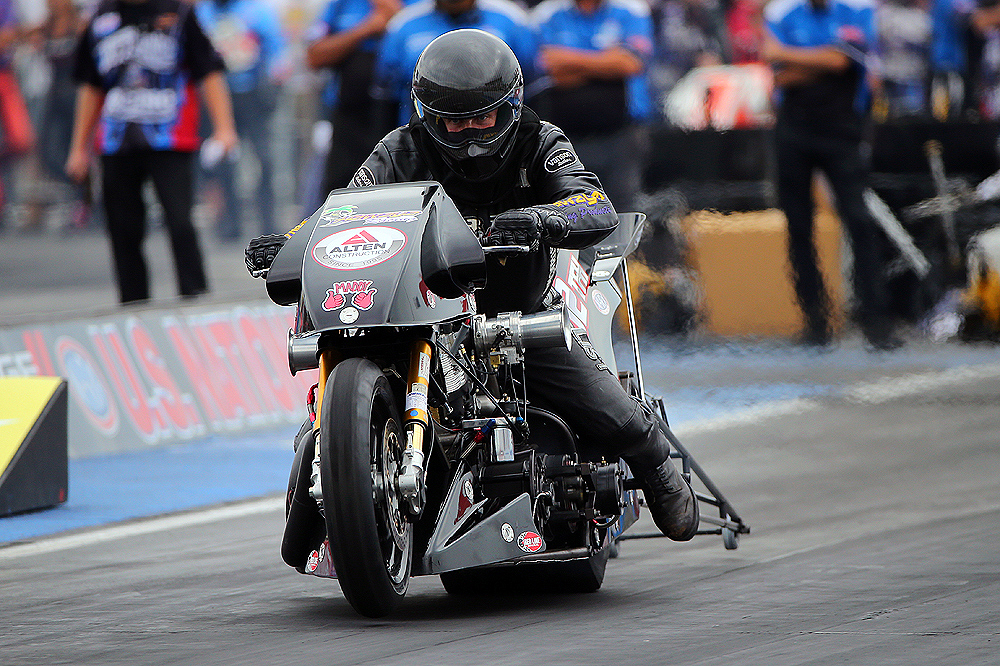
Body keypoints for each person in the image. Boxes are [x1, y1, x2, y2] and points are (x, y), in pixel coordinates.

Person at [246, 29, 699, 541]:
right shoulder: (398, 150)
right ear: (429, 116)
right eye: (454, 122)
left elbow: (595, 205)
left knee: (609, 411)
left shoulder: (540, 140)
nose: (470, 136)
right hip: (424, 312)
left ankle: (658, 468)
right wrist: (293, 242)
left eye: (483, 119)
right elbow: (346, 212)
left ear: (510, 107)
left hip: (517, 316)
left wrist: (541, 219)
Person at [66, 0, 238, 304]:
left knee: (180, 222)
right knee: (123, 229)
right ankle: (133, 304)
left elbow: (209, 71)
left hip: (170, 138)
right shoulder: (101, 18)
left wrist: (225, 128)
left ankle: (195, 297)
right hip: (116, 141)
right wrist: (79, 148)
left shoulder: (179, 12)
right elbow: (90, 85)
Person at [763, 0, 901, 349]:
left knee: (859, 221)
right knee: (798, 225)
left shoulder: (855, 12)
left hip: (842, 129)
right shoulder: (785, 14)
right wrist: (824, 61)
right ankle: (815, 320)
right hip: (793, 128)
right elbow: (778, 71)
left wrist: (797, 59)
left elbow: (843, 61)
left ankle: (876, 319)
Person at [531, 0, 656, 213]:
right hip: (566, 135)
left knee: (624, 211)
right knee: (570, 209)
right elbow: (550, 66)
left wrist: (571, 62)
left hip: (622, 132)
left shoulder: (631, 10)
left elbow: (630, 64)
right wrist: (607, 64)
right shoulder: (547, 14)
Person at [195, 0, 287, 240]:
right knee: (224, 162)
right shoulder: (203, 12)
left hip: (255, 96)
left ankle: (268, 221)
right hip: (219, 98)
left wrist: (274, 75)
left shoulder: (257, 10)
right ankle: (230, 222)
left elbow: (276, 47)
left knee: (264, 160)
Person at [373, 0, 537, 129]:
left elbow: (532, 87)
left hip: (496, 137)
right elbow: (387, 97)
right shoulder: (402, 25)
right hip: (422, 141)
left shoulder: (512, 20)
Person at [305, 0, 405, 200]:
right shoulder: (340, 6)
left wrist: (397, 19)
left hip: (399, 119)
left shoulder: (419, 9)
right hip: (348, 121)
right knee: (341, 194)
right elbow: (314, 56)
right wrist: (367, 28)